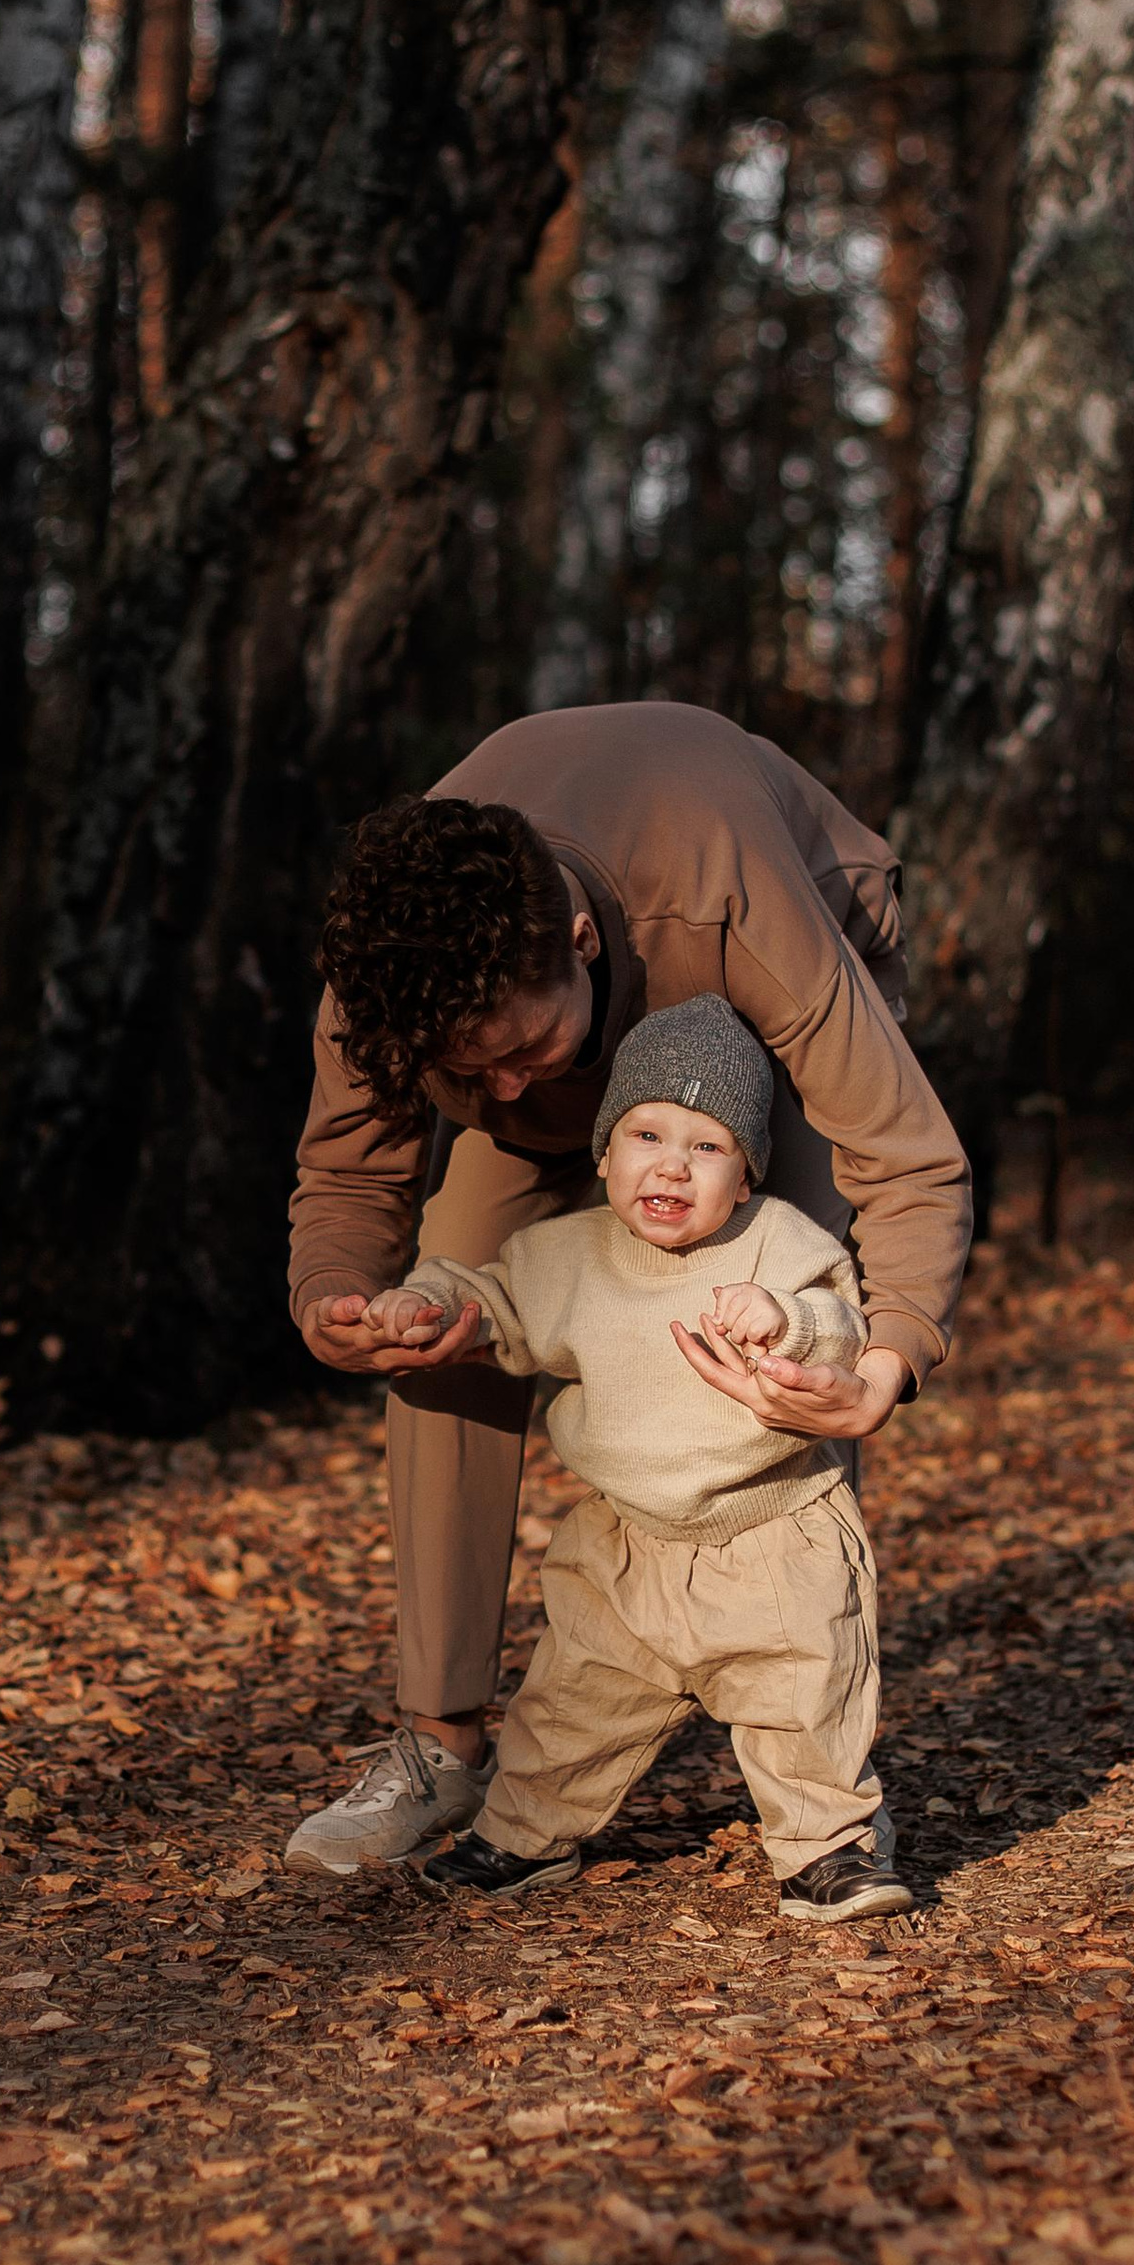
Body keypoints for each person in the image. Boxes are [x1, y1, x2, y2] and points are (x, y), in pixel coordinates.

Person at [282, 704, 971, 1877]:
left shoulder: (725, 890)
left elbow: (905, 1156)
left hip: (762, 983)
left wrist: (885, 1359)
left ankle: (814, 1780)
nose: (496, 1089)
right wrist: (336, 1297)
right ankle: (439, 1745)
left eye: (517, 1050)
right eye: (467, 1072)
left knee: (790, 1329)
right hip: (589, 1023)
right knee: (446, 1312)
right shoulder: (392, 973)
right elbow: (348, 1171)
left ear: (582, 939)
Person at [359, 998, 911, 1923]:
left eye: (707, 1146)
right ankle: (520, 1837)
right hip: (623, 1544)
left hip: (771, 1534)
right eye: (647, 1134)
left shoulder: (781, 1242)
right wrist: (423, 1306)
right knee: (568, 1705)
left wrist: (791, 1320)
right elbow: (491, 1298)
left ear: (744, 1177)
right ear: (606, 1154)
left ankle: (831, 1850)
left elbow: (844, 1325)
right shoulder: (565, 1255)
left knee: (802, 1703)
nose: (671, 1163)